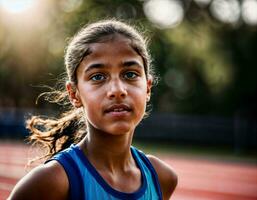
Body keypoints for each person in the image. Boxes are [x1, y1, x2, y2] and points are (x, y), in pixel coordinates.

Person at [8, 19, 177, 200]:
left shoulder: (162, 178)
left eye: (130, 74)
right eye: (97, 77)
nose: (117, 90)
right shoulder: (51, 182)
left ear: (148, 88)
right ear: (74, 94)